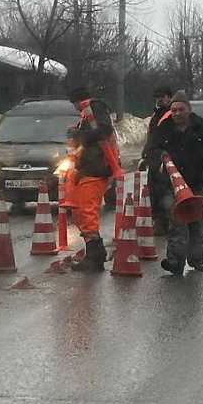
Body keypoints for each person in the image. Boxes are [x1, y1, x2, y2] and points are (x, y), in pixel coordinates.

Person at [147, 90, 203, 276]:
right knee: (176, 222)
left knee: (196, 223)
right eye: (173, 110)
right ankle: (175, 260)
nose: (176, 114)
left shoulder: (202, 127)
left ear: (188, 110)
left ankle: (196, 259)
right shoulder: (163, 129)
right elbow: (150, 151)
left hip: (197, 182)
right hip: (172, 185)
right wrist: (159, 158)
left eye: (180, 110)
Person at [67, 87, 119, 272]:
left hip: (95, 170)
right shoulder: (90, 112)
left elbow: (103, 130)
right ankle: (95, 252)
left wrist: (80, 136)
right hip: (90, 169)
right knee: (81, 212)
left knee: (87, 212)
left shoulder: (93, 107)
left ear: (77, 101)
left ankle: (95, 256)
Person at [141, 85, 173, 235]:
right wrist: (145, 154)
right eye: (157, 97)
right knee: (153, 192)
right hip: (154, 158)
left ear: (169, 97)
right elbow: (152, 137)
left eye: (162, 96)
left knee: (163, 192)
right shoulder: (157, 115)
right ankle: (159, 222)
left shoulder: (171, 114)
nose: (159, 99)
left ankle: (164, 223)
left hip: (164, 160)